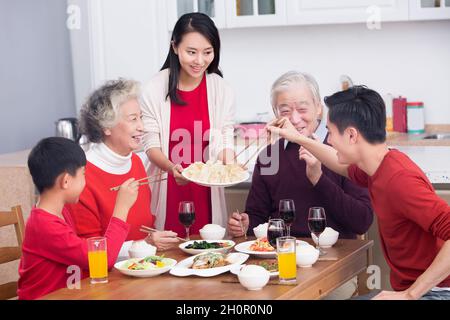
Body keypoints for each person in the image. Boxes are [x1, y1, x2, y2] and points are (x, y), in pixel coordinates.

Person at [267, 86, 450, 300]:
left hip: (436, 293)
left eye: (331, 132)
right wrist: (298, 138)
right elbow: (337, 162)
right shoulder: (378, 166)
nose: (330, 140)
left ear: (352, 135)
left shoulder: (399, 180)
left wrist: (410, 295)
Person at [228, 71, 373, 240]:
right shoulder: (269, 155)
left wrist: (319, 179)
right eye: (285, 111)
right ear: (276, 114)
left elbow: (362, 221)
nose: (295, 119)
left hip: (336, 254)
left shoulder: (345, 149)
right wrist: (245, 224)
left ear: (318, 108)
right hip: (282, 253)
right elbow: (257, 218)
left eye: (302, 109)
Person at [140, 13, 236, 237]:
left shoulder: (221, 89)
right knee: (167, 254)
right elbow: (151, 144)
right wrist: (172, 168)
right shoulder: (154, 89)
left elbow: (224, 138)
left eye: (208, 52)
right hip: (169, 184)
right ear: (174, 47)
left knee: (208, 250)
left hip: (206, 190)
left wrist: (230, 163)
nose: (200, 61)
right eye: (191, 52)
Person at [18, 137, 138, 300]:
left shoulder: (61, 211)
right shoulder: (44, 225)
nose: (85, 181)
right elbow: (102, 260)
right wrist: (122, 208)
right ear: (66, 181)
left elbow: (84, 255)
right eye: (83, 174)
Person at [68, 79, 179, 253]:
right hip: (105, 276)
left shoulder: (135, 162)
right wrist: (146, 244)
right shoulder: (83, 175)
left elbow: (144, 225)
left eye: (141, 118)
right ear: (106, 127)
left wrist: (154, 240)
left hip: (142, 266)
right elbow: (91, 250)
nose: (142, 127)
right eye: (133, 119)